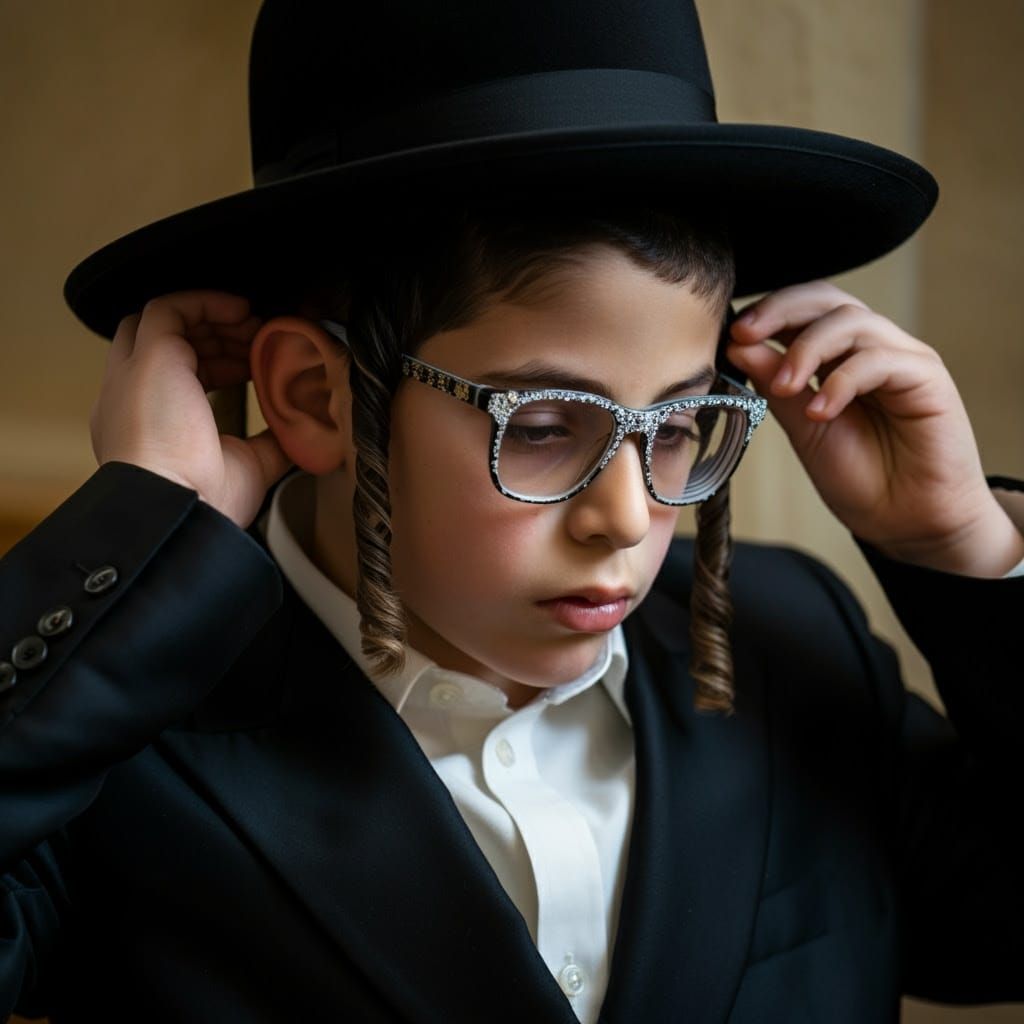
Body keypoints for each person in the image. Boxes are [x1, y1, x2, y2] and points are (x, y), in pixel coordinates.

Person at [2, 2, 1022, 1022]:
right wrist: (143, 531)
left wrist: (963, 546)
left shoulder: (797, 642)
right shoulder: (121, 744)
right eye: (540, 426)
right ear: (317, 398)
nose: (624, 516)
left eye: (676, 425)